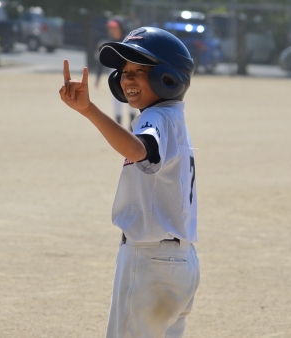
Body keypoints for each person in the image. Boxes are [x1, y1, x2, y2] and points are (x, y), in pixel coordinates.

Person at [59, 27, 200, 338]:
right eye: (124, 72)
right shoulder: (174, 117)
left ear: (168, 77)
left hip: (149, 260)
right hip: (180, 261)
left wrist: (88, 110)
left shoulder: (156, 118)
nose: (128, 79)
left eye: (140, 70)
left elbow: (140, 150)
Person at [95, 19, 137, 129]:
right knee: (116, 101)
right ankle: (120, 129)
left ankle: (131, 128)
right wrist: (98, 78)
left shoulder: (129, 42)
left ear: (121, 28)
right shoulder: (108, 44)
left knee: (132, 100)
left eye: (114, 28)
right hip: (114, 73)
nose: (112, 30)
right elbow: (101, 62)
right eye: (110, 28)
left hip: (128, 73)